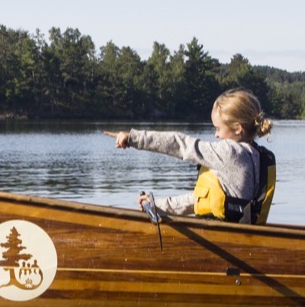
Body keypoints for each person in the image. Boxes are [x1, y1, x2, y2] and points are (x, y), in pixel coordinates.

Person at [104, 88, 275, 224]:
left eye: (218, 128)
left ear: (238, 128)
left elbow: (181, 143)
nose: (216, 135)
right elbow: (200, 199)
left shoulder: (229, 153)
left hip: (220, 237)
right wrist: (159, 205)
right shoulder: (258, 156)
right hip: (242, 236)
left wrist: (133, 138)